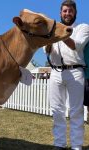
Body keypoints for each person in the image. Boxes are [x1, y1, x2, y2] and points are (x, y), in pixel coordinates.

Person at [45, 1, 89, 150]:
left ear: (75, 13)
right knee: (57, 110)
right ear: (60, 13)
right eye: (64, 11)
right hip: (56, 71)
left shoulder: (83, 28)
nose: (67, 14)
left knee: (76, 111)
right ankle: (59, 144)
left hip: (75, 72)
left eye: (70, 11)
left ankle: (76, 146)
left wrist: (60, 33)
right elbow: (47, 50)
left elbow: (76, 46)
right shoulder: (54, 29)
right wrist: (50, 38)